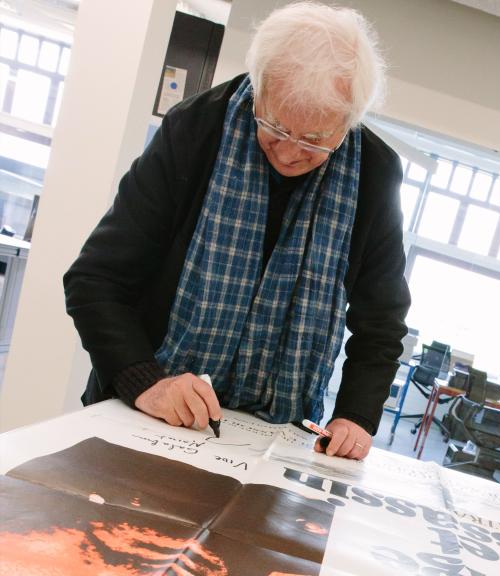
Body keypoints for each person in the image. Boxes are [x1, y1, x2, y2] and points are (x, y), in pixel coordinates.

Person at [63, 2, 410, 460]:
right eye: (274, 126)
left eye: (313, 140)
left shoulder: (374, 174)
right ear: (259, 88)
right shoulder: (195, 130)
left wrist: (355, 418)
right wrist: (146, 382)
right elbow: (94, 281)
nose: (288, 153)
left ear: (348, 123)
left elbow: (381, 325)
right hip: (150, 419)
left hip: (274, 444)